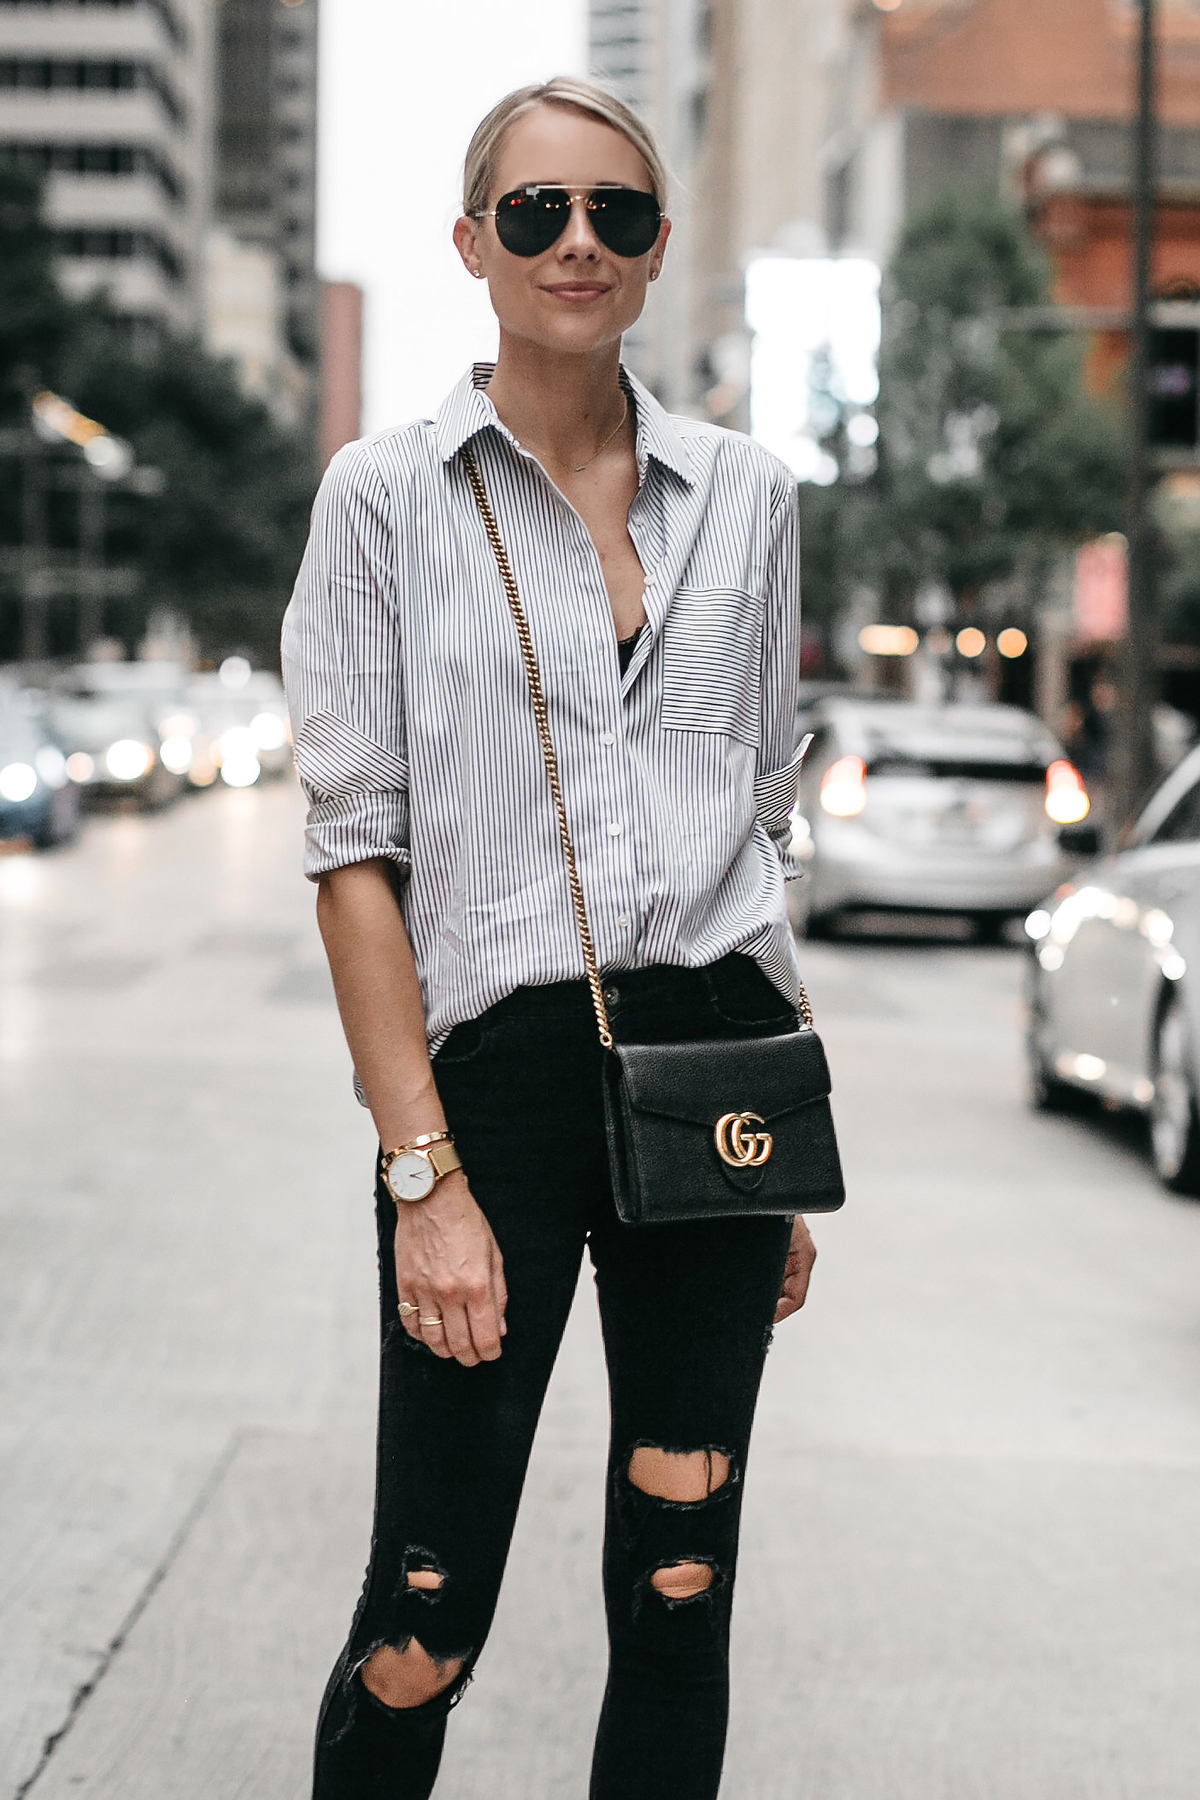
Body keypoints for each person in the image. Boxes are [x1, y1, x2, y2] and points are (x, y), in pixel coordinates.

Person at [282, 74, 818, 1800]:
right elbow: (353, 856)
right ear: (474, 245)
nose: (577, 243)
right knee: (425, 1607)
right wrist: (420, 1175)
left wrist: (779, 1142)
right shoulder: (382, 497)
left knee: (681, 1589)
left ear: (656, 251)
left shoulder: (748, 496)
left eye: (616, 214)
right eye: (537, 213)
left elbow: (762, 817)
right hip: (493, 1096)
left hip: (714, 1073)